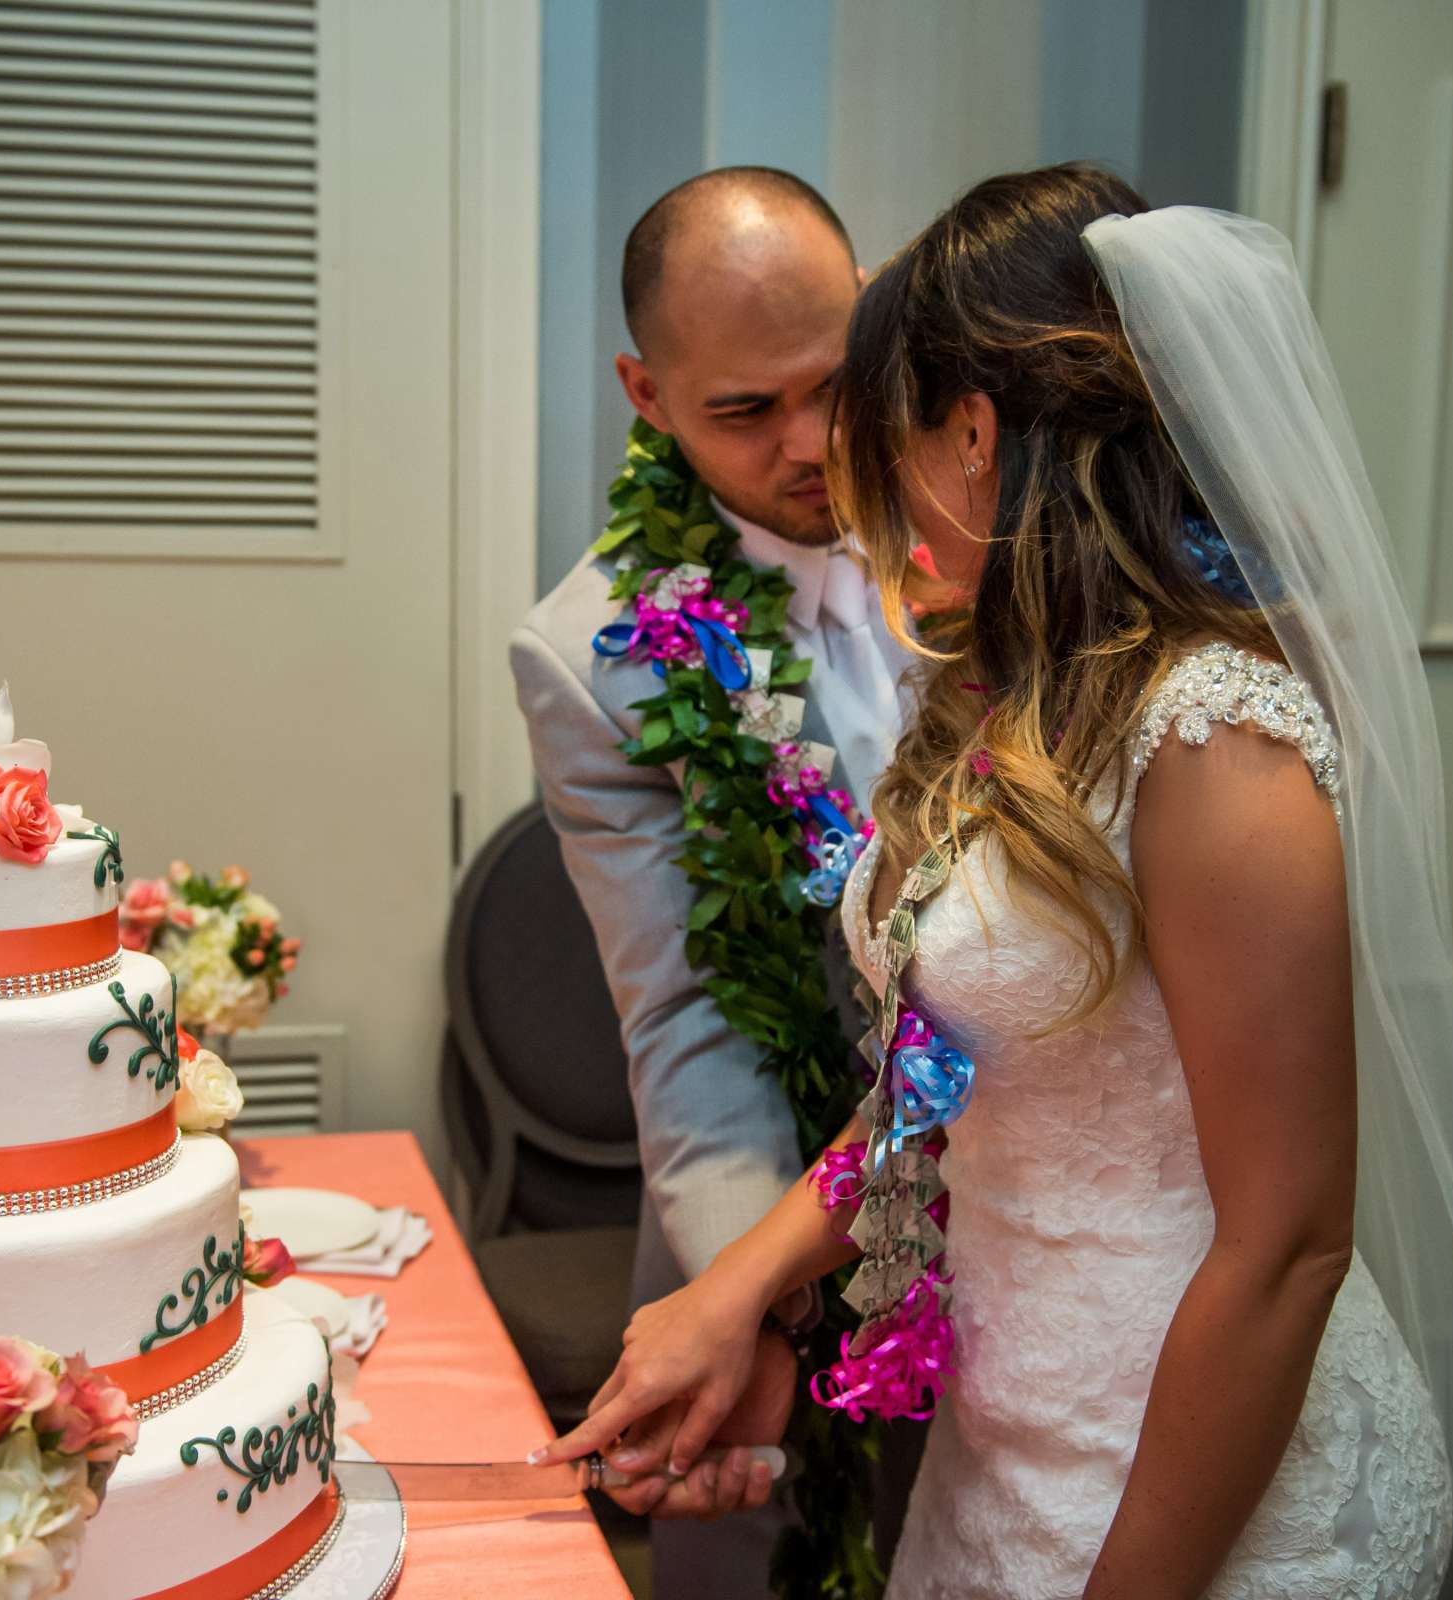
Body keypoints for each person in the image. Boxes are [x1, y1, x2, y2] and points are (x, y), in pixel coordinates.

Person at [539, 166, 1453, 1599]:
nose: (854, 490)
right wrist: (739, 1284)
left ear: (972, 434)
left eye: (879, 436)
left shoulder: (1215, 733)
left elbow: (1289, 1246)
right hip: (1007, 1450)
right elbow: (950, 1071)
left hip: (1192, 1475)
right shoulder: (1003, 694)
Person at [509, 167, 915, 1586]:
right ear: (647, 390)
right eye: (746, 410)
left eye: (834, 382)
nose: (810, 444)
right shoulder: (596, 652)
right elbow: (690, 1020)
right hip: (784, 1223)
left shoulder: (992, 501)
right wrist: (768, 1301)